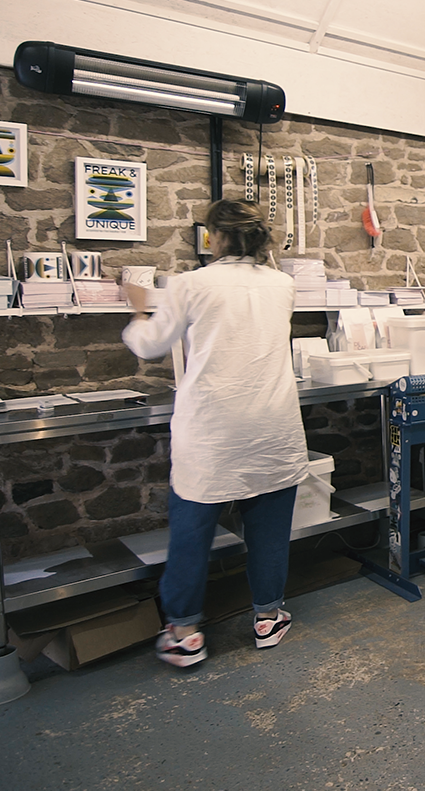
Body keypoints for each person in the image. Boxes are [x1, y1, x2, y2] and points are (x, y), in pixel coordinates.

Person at [122, 199, 308, 668]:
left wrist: (140, 310)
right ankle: (268, 617)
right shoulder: (282, 284)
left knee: (191, 532)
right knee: (268, 529)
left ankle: (184, 631)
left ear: (214, 236)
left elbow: (149, 346)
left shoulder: (189, 284)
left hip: (211, 429)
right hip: (270, 424)